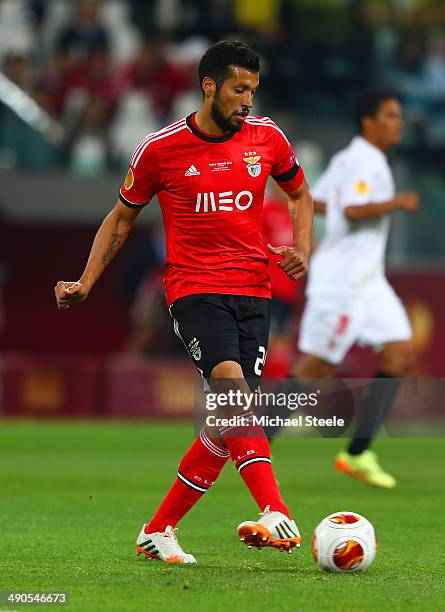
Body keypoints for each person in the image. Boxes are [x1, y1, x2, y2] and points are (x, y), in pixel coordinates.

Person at [54, 41, 313, 564]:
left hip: (253, 291)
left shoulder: (268, 139)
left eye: (253, 91)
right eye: (239, 89)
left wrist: (302, 249)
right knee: (232, 393)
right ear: (209, 85)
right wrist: (86, 281)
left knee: (224, 422)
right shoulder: (161, 148)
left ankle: (159, 529)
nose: (247, 101)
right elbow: (121, 218)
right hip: (195, 289)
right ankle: (274, 508)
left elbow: (301, 194)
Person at [288, 92, 419, 489]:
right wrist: (397, 202)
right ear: (368, 122)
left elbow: (321, 202)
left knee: (399, 353)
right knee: (314, 369)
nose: (399, 122)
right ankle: (248, 446)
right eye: (391, 115)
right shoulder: (363, 161)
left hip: (369, 281)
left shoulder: (349, 160)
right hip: (342, 284)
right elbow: (351, 210)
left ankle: (357, 452)